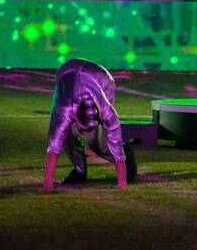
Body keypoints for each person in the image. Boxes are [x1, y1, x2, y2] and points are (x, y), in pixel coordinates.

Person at [43, 59, 134, 190]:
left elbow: (114, 138)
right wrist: (48, 183)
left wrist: (122, 182)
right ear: (74, 116)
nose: (84, 134)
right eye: (83, 129)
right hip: (66, 73)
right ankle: (79, 171)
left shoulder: (105, 109)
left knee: (97, 143)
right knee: (66, 135)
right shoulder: (64, 108)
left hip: (101, 78)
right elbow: (53, 146)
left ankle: (128, 154)